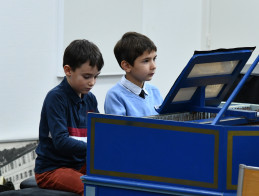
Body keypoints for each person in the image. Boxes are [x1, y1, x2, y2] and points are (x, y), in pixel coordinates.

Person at [34, 39, 104, 196]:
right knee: (93, 190)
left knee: (119, 177)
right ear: (68, 70)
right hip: (52, 169)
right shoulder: (55, 98)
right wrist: (97, 146)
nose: (92, 82)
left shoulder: (90, 99)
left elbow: (100, 131)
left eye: (96, 76)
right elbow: (61, 142)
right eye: (87, 76)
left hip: (79, 165)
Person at [104, 32, 163, 117]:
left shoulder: (155, 91)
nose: (154, 66)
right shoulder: (115, 96)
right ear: (127, 66)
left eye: (154, 59)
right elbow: (118, 129)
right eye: (146, 61)